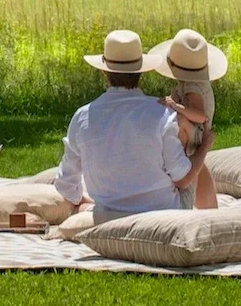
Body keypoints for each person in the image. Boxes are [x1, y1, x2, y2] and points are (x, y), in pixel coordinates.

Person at [56, 30, 215, 224]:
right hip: (162, 219)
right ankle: (213, 217)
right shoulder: (163, 114)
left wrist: (85, 200)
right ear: (141, 71)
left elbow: (65, 186)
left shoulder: (82, 117)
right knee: (192, 159)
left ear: (104, 71)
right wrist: (204, 147)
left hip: (107, 219)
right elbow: (183, 179)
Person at [151, 28, 225, 210]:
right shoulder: (192, 83)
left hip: (195, 131)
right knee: (198, 165)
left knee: (188, 162)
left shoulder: (192, 86)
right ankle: (210, 207)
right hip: (195, 133)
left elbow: (200, 116)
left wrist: (176, 107)